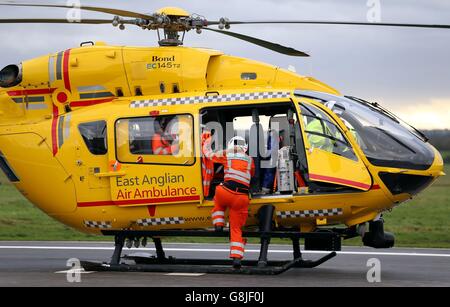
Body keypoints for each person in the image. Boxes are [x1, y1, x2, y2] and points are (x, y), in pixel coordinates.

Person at [204, 136, 255, 269]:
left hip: (225, 191)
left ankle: (219, 224)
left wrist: (206, 141)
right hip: (242, 198)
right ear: (245, 148)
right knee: (236, 228)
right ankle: (237, 259)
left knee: (218, 199)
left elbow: (208, 155)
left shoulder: (227, 154)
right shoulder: (250, 160)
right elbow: (252, 174)